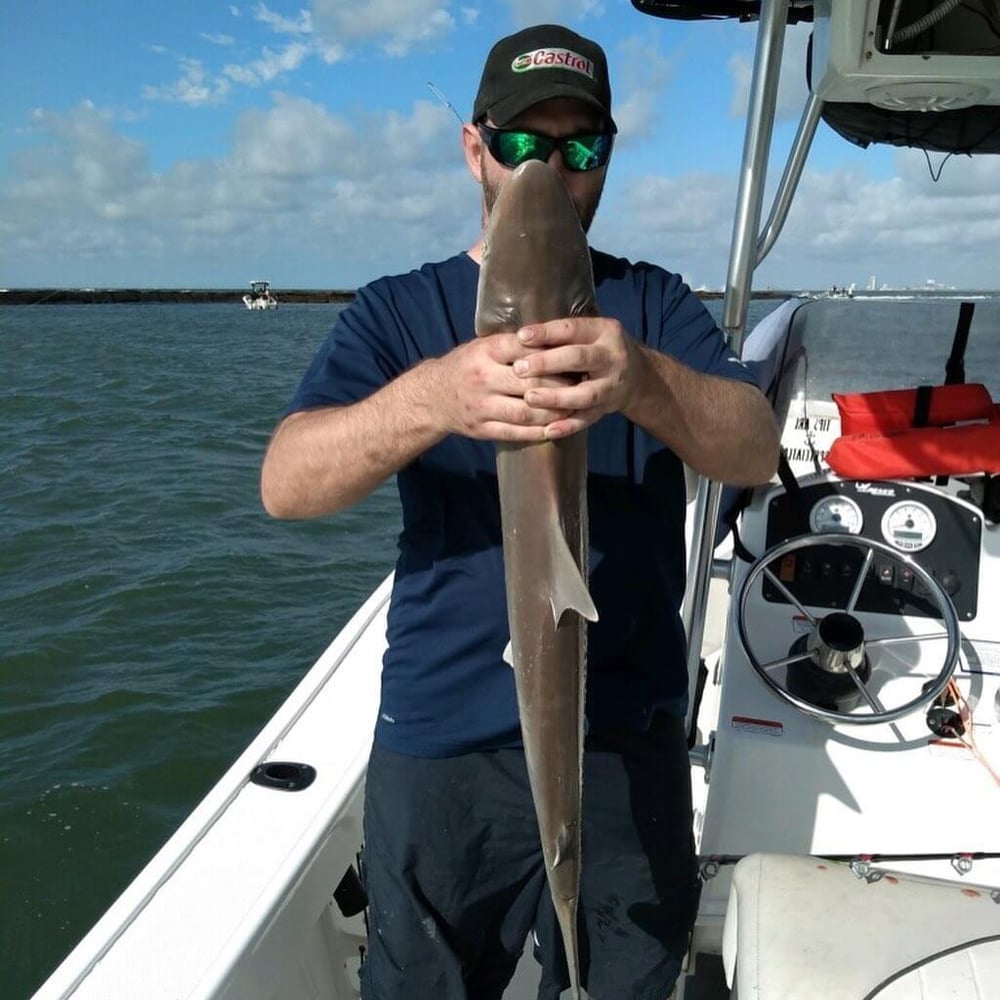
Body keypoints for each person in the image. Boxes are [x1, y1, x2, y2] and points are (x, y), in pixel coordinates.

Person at [261, 22, 780, 1000]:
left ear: (608, 156)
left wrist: (639, 380)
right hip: (443, 741)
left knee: (621, 975)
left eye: (579, 149)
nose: (552, 170)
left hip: (626, 732)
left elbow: (754, 442)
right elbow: (287, 483)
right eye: (524, 145)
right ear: (475, 146)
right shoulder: (396, 311)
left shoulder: (651, 304)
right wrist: (434, 398)